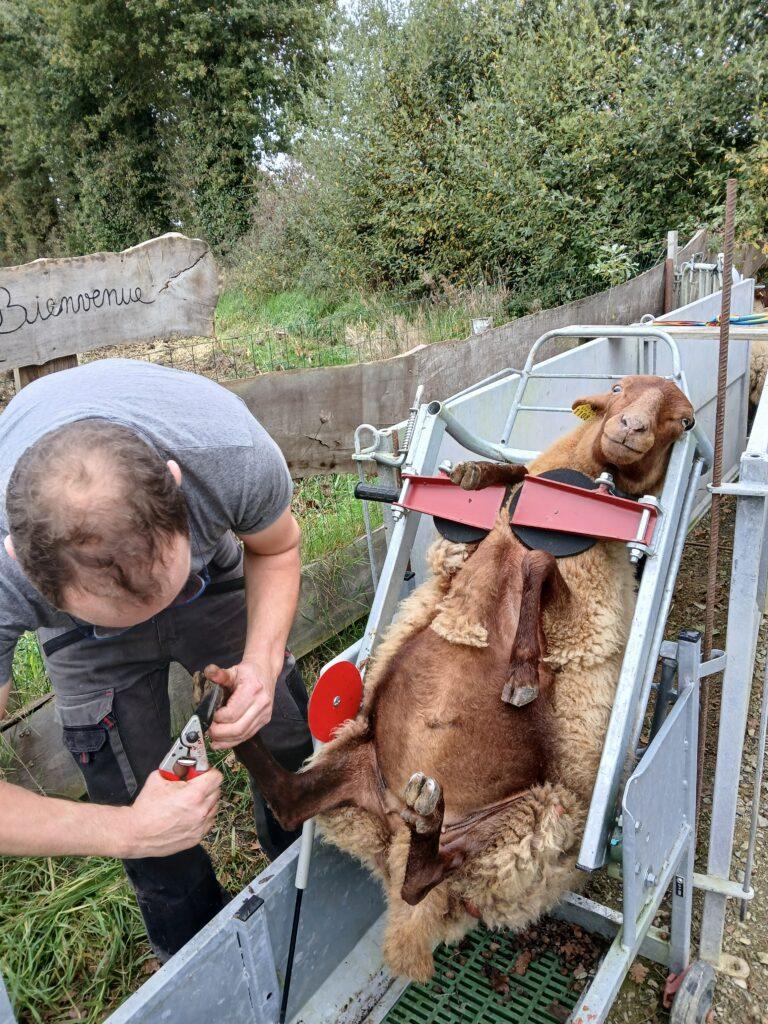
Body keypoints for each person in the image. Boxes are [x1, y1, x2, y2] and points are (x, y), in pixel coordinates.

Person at [0, 359, 314, 961]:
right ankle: (197, 952)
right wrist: (130, 831)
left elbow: (276, 548)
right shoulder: (1, 572)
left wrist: (261, 663)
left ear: (176, 482)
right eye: (122, 611)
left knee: (284, 732)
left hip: (211, 581)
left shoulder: (227, 452)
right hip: (86, 644)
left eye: (159, 588)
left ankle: (301, 862)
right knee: (133, 794)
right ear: (20, 562)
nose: (147, 620)